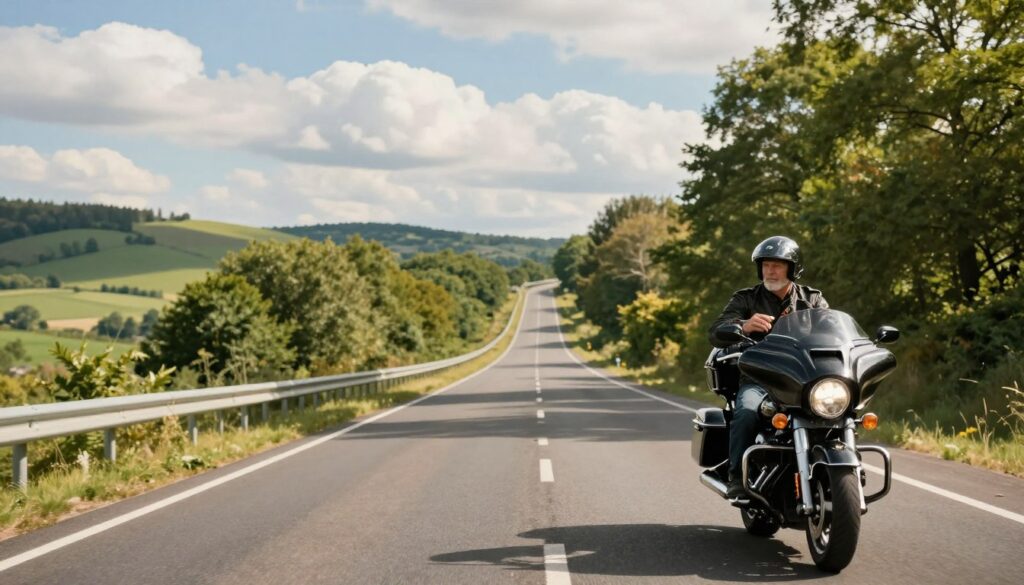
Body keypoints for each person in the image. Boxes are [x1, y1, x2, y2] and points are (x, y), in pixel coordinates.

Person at [708, 236, 828, 500]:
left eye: (777, 265)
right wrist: (743, 325)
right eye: (766, 264)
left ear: (792, 268)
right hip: (759, 379)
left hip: (804, 380)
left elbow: (832, 331)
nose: (770, 270)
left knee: (837, 412)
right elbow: (716, 332)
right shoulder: (746, 299)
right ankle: (737, 476)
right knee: (747, 411)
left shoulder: (812, 299)